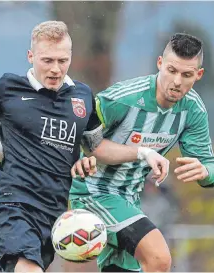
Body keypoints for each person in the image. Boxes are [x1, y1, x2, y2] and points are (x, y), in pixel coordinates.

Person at [0, 21, 169, 272]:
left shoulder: (81, 96)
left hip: (55, 214)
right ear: (31, 56)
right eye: (47, 60)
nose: (55, 69)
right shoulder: (7, 89)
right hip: (14, 204)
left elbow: (96, 147)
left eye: (62, 61)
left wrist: (144, 153)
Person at [70, 33, 214, 272]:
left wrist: (205, 170)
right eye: (171, 70)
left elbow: (208, 164)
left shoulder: (193, 110)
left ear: (198, 75)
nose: (177, 81)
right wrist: (142, 152)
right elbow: (89, 143)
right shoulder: (123, 98)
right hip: (93, 192)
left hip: (131, 201)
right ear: (160, 64)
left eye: (186, 75)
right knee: (159, 259)